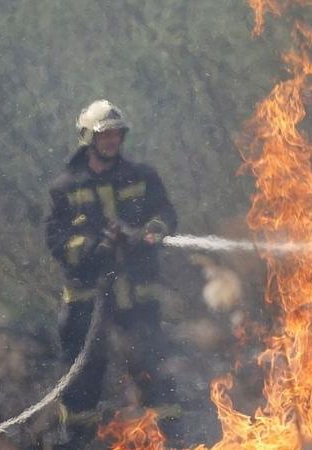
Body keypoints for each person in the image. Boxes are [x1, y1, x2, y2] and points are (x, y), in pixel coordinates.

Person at [45, 100, 182, 449]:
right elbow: (57, 242)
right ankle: (78, 440)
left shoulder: (142, 176)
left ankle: (173, 439)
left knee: (153, 365)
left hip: (137, 296)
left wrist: (151, 228)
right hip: (87, 302)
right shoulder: (65, 187)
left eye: (117, 134)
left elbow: (166, 213)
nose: (112, 141)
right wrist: (94, 248)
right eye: (104, 135)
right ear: (88, 138)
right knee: (82, 376)